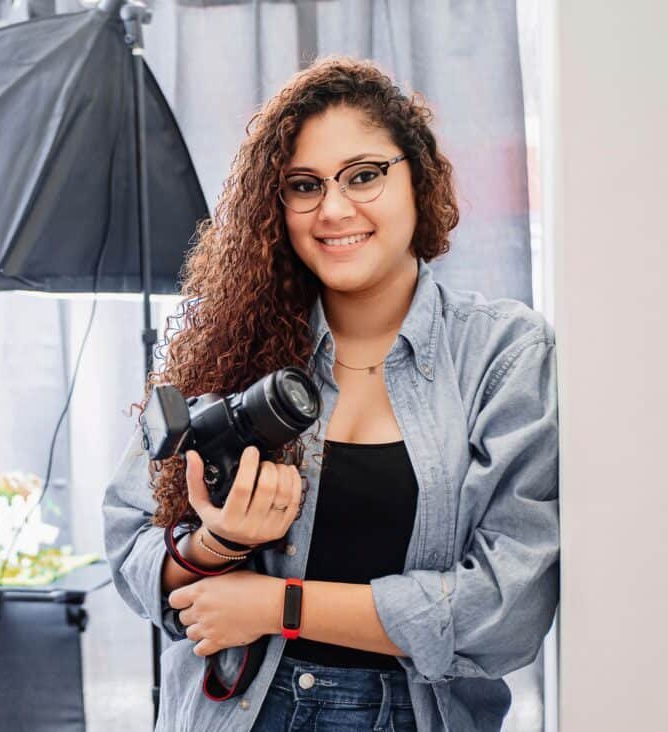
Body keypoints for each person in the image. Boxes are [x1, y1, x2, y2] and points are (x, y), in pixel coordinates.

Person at [102, 56, 559, 732]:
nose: (335, 209)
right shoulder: (231, 343)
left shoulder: (505, 354)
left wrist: (278, 605)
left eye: (365, 175)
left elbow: (506, 609)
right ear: (276, 208)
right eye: (304, 186)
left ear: (419, 174)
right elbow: (131, 544)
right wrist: (217, 545)